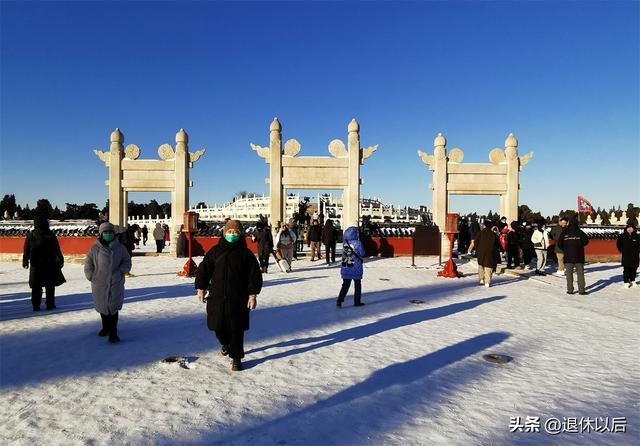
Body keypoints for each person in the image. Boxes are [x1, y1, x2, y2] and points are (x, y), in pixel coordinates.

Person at [195, 220, 262, 371]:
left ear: (240, 234)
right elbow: (204, 270)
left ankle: (236, 358)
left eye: (236, 232)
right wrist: (201, 288)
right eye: (230, 232)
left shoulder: (246, 254)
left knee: (236, 329)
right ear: (225, 233)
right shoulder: (215, 251)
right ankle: (225, 343)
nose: (233, 235)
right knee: (218, 327)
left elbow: (254, 275)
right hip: (217, 297)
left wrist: (252, 295)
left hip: (238, 298)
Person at [84, 222, 132, 343]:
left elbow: (127, 262)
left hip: (115, 282)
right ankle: (105, 327)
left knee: (113, 307)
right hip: (99, 282)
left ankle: (113, 332)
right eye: (105, 232)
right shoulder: (95, 248)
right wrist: (91, 275)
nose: (108, 234)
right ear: (101, 234)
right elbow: (88, 263)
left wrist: (120, 272)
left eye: (110, 232)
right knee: (102, 307)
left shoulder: (120, 248)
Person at [22, 214, 65, 311]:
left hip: (35, 264)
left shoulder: (31, 235)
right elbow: (57, 249)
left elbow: (26, 250)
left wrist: (25, 261)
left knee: (36, 286)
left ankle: (36, 305)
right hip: (49, 263)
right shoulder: (50, 234)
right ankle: (50, 303)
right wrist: (60, 259)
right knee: (50, 285)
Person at [557, 219, 589, 295]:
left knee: (569, 274)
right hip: (579, 256)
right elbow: (586, 242)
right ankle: (581, 290)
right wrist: (579, 246)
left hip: (568, 256)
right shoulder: (580, 232)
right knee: (580, 274)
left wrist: (565, 248)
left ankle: (570, 290)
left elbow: (559, 243)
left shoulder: (565, 232)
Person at [337, 226, 365, 308]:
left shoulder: (345, 243)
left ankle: (339, 301)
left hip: (346, 266)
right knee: (357, 285)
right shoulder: (358, 243)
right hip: (356, 267)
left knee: (345, 285)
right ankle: (357, 301)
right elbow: (363, 253)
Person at [468, 220, 498, 287]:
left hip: (480, 252)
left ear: (484, 225)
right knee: (488, 267)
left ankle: (481, 279)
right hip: (490, 252)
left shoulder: (480, 233)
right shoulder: (493, 234)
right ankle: (487, 282)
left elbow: (475, 242)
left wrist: (477, 249)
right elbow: (496, 244)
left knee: (481, 265)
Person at [616, 224, 639, 288]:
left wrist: (637, 251)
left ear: (634, 229)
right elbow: (618, 244)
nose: (629, 229)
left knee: (634, 269)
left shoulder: (637, 236)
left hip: (635, 256)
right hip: (626, 255)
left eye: (631, 228)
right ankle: (626, 282)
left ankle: (633, 280)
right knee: (626, 269)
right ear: (626, 229)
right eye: (628, 228)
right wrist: (622, 251)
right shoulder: (622, 236)